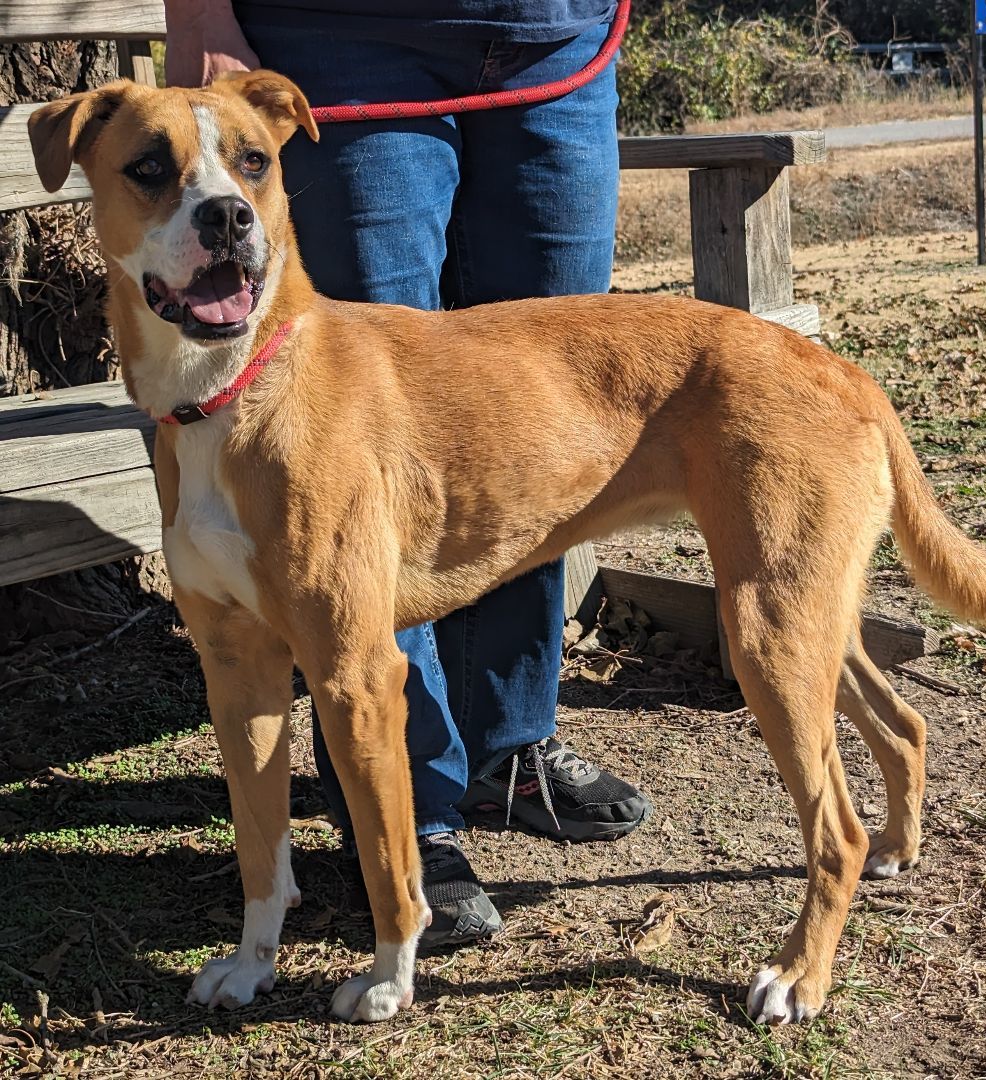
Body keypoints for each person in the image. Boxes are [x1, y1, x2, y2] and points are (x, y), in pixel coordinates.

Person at [163, 0, 653, 947]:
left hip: (555, 39)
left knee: (532, 425)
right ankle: (412, 813)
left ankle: (511, 741)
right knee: (364, 447)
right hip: (348, 37)